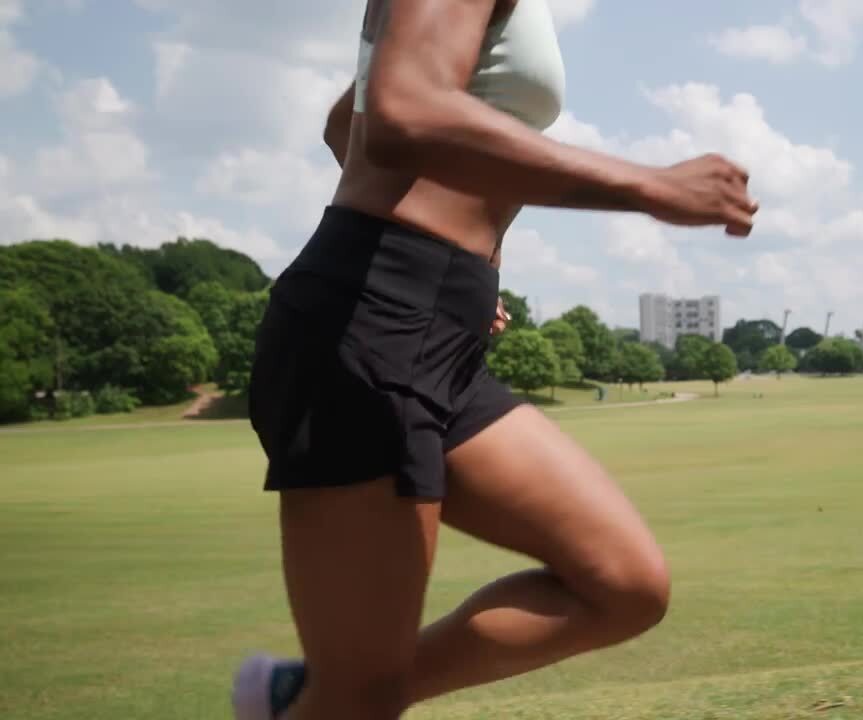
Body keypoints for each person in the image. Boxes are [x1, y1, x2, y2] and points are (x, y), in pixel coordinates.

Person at [232, 0, 758, 718]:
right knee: (362, 697)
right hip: (370, 323)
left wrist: (469, 265)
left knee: (625, 584)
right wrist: (650, 186)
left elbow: (346, 122)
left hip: (440, 323)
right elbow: (401, 112)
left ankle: (314, 694)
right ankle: (338, 692)